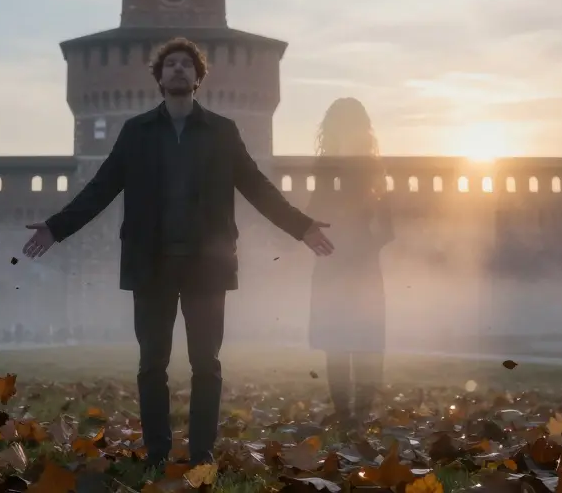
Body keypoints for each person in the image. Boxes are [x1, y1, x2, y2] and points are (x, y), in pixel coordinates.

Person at [22, 37, 334, 468]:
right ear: (159, 76)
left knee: (207, 364)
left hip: (207, 266)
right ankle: (158, 453)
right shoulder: (136, 132)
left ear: (199, 77)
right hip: (151, 265)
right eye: (171, 64)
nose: (179, 70)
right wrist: (56, 227)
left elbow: (257, 187)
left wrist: (301, 226)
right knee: (152, 365)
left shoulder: (222, 132)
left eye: (187, 64)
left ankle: (202, 452)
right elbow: (101, 188)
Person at [305, 98, 394, 428]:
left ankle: (357, 413)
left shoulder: (369, 168)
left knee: (362, 339)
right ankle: (347, 413)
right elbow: (318, 209)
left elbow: (384, 221)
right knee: (339, 340)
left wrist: (365, 242)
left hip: (356, 262)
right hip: (336, 259)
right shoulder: (330, 166)